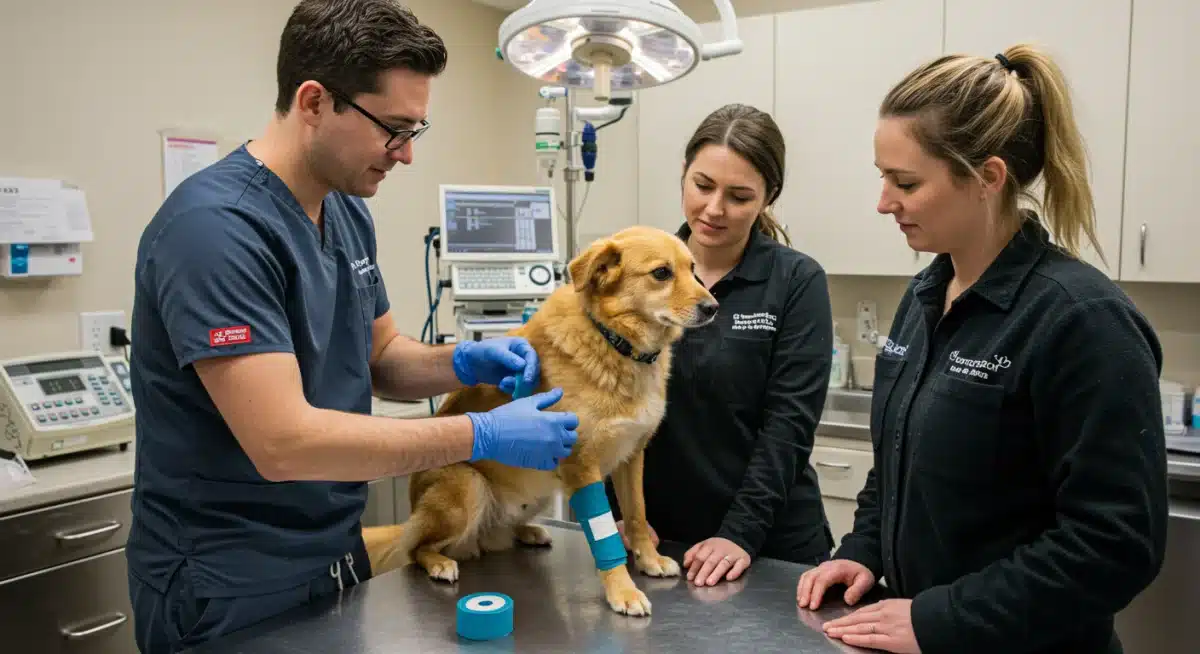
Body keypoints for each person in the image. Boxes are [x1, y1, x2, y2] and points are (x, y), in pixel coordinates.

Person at [124, 1, 578, 651]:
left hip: (334, 553)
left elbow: (381, 355)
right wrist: (477, 434)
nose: (407, 154)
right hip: (228, 579)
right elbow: (284, 444)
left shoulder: (343, 212)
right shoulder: (214, 233)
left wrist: (463, 361)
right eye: (394, 129)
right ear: (314, 102)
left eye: (416, 130)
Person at [795, 44, 1168, 654]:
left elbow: (1115, 545)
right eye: (882, 177)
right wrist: (862, 549)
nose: (883, 201)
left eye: (906, 182)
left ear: (987, 178)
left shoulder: (1081, 320)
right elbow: (896, 468)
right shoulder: (926, 296)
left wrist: (941, 618)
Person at [609, 103, 836, 587]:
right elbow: (609, 408)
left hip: (771, 548)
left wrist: (740, 534)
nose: (714, 209)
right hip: (657, 541)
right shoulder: (637, 272)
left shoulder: (794, 281)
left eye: (738, 196)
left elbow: (788, 426)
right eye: (703, 185)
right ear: (684, 175)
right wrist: (622, 513)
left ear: (767, 197)